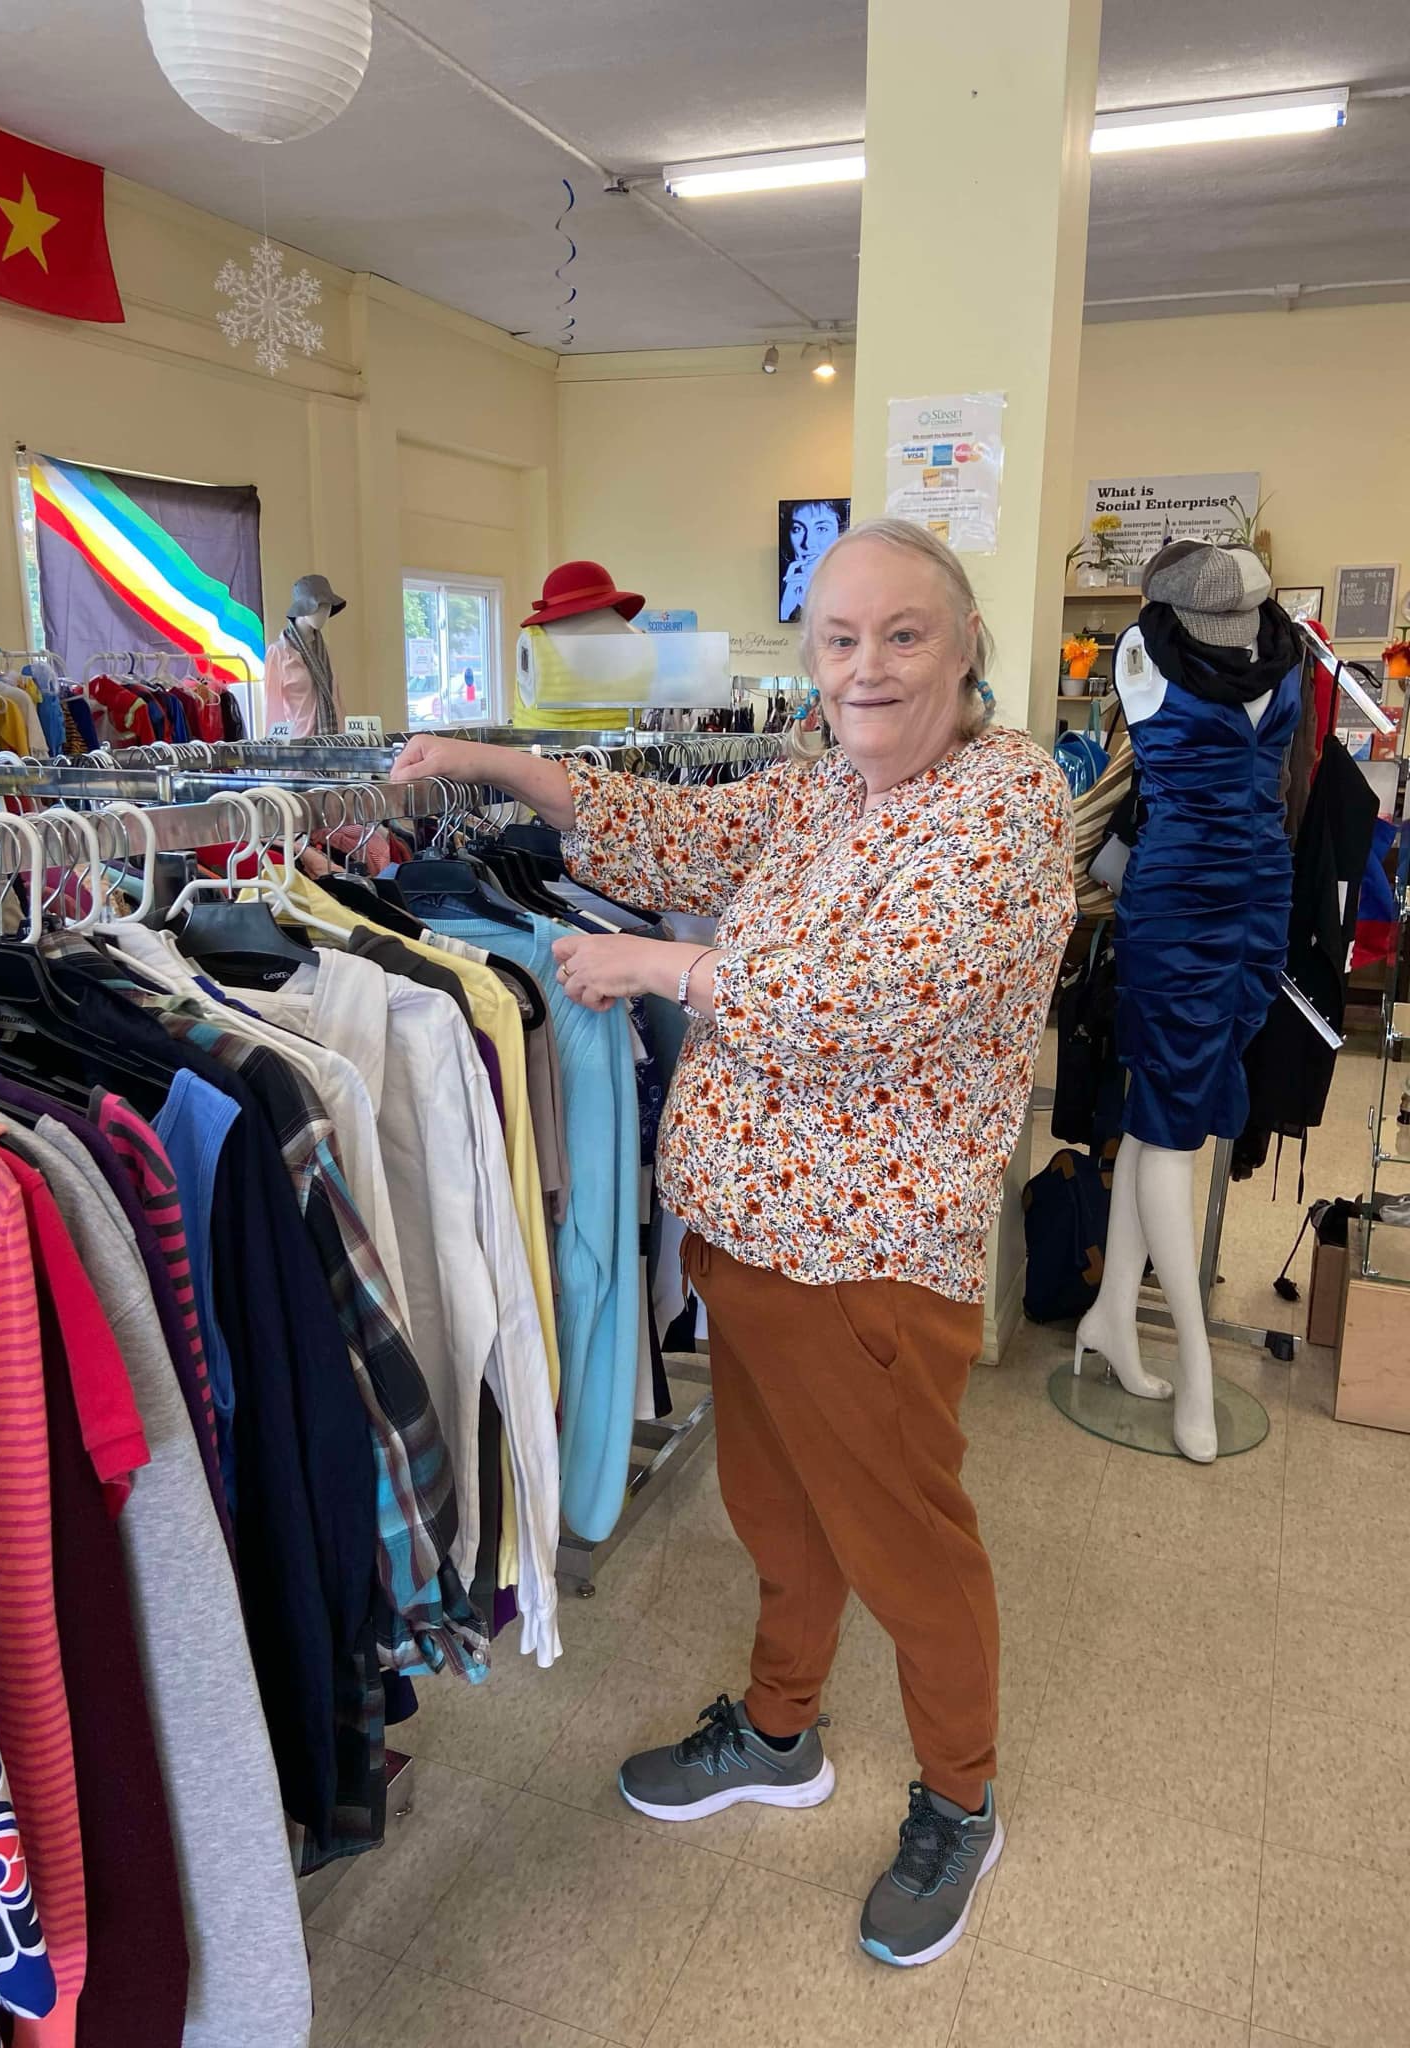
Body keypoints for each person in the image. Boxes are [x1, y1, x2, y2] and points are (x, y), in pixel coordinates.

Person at [391, 518, 1076, 1969]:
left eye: (902, 634)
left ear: (966, 649)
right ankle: (779, 1727)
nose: (868, 666)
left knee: (906, 1546)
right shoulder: (833, 789)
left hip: (868, 1267)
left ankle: (962, 1796)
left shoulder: (1001, 800)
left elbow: (886, 993)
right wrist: (506, 767)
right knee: (778, 1518)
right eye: (840, 639)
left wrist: (662, 966)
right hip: (752, 1247)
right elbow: (684, 831)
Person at [780, 499, 846, 622]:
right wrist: (785, 609)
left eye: (821, 529)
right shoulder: (784, 592)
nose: (808, 543)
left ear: (841, 534)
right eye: (797, 529)